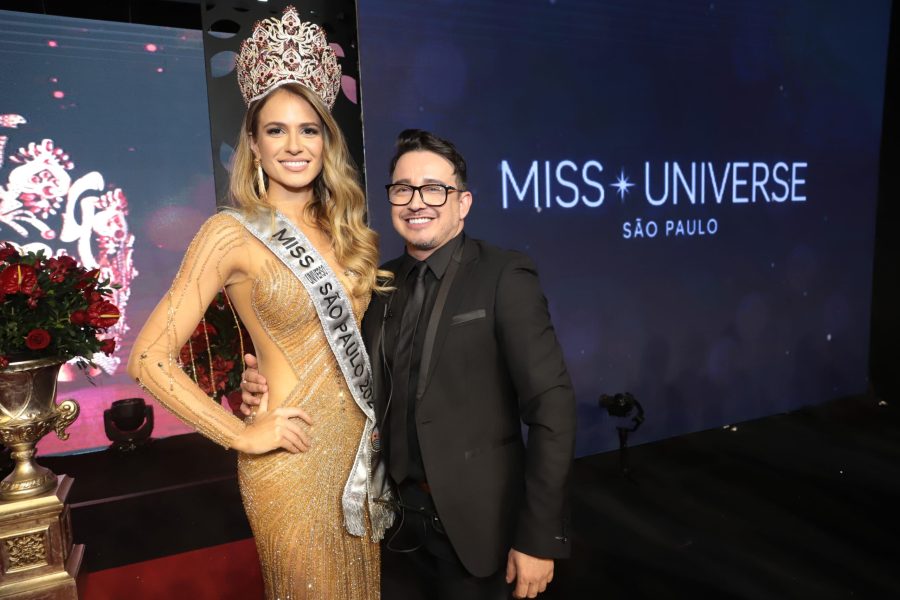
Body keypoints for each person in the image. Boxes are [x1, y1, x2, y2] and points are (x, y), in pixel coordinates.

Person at [241, 129, 577, 599]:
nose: (416, 201)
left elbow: (552, 408)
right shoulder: (378, 283)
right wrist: (264, 383)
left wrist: (539, 537)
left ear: (463, 202)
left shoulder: (503, 274)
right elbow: (336, 372)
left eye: (434, 189)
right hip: (392, 524)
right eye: (403, 189)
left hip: (478, 528)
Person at [127, 7, 393, 599]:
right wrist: (240, 434)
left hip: (358, 457)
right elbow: (147, 358)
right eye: (276, 130)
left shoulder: (349, 231)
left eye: (309, 129)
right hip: (289, 459)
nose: (294, 145)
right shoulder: (230, 233)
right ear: (253, 142)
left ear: (327, 139)